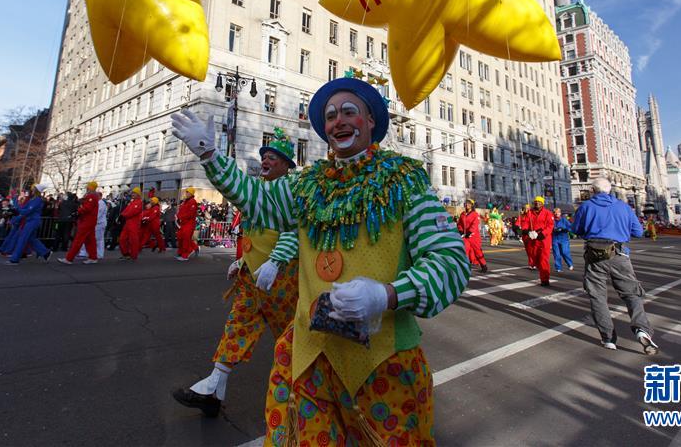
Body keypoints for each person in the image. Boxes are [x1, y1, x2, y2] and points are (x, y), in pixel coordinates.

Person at [172, 77, 469, 445]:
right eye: (330, 116)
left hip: (383, 365)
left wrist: (387, 295)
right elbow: (256, 200)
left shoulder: (404, 181)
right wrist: (210, 156)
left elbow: (451, 260)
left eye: (349, 112)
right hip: (309, 358)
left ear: (371, 120)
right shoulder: (306, 185)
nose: (338, 122)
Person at [173, 127, 300, 418]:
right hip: (252, 279)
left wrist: (277, 260)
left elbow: (295, 229)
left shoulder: (291, 190)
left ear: (286, 165)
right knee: (236, 327)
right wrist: (242, 262)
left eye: (273, 157)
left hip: (282, 283)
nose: (266, 161)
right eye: (264, 156)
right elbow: (254, 232)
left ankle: (307, 392)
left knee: (292, 335)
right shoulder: (260, 188)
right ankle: (214, 389)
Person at [571, 177, 659, 354]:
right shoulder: (623, 207)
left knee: (597, 296)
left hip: (595, 255)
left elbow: (576, 230)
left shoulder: (586, 207)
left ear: (592, 191)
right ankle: (642, 329)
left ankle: (608, 338)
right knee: (632, 294)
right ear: (609, 190)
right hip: (620, 253)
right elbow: (638, 232)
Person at [7, 184, 52, 265]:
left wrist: (17, 209)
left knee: (22, 238)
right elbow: (24, 208)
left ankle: (15, 259)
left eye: (33, 189)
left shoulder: (37, 200)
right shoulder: (33, 199)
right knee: (31, 239)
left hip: (33, 221)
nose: (31, 190)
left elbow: (27, 211)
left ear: (36, 190)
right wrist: (16, 207)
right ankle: (45, 253)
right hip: (31, 221)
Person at [58, 181, 100, 265]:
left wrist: (78, 211)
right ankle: (93, 257)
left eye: (88, 186)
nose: (86, 188)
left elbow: (87, 208)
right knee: (90, 240)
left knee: (78, 240)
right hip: (90, 221)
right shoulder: (93, 196)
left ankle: (69, 258)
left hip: (87, 221)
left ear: (91, 187)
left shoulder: (91, 196)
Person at [521, 196, 555, 286]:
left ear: (542, 203)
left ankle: (545, 279)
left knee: (543, 259)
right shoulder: (530, 213)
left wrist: (542, 234)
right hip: (533, 239)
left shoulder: (548, 213)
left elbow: (550, 226)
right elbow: (525, 223)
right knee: (535, 258)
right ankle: (542, 272)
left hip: (544, 240)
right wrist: (527, 231)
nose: (537, 203)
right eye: (535, 202)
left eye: (539, 202)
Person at [458, 199, 488, 273]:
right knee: (464, 250)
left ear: (472, 205)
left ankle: (483, 265)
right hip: (465, 236)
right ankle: (465, 266)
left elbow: (475, 224)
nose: (467, 205)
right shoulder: (462, 214)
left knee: (478, 252)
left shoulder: (475, 214)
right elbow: (459, 223)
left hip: (474, 236)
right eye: (466, 203)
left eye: (469, 203)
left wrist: (470, 231)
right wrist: (460, 230)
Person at [118, 188, 144, 261]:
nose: (132, 194)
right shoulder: (132, 202)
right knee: (122, 239)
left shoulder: (139, 202)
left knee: (133, 240)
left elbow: (132, 212)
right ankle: (126, 253)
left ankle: (133, 255)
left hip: (134, 224)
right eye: (132, 193)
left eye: (134, 193)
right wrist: (121, 215)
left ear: (138, 194)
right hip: (128, 223)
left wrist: (123, 215)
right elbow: (126, 210)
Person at [175, 188, 199, 261]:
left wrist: (180, 217)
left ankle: (185, 254)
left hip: (189, 223)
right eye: (186, 192)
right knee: (180, 237)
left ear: (191, 194)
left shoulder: (193, 202)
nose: (186, 194)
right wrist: (177, 216)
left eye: (188, 193)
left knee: (186, 238)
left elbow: (190, 214)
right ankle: (192, 248)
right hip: (183, 223)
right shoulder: (185, 201)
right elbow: (181, 211)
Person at [551, 207, 574, 272]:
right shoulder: (552, 220)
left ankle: (570, 264)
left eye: (558, 212)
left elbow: (570, 227)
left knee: (565, 252)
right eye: (555, 212)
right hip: (555, 238)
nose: (556, 213)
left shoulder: (564, 220)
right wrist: (554, 229)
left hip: (564, 238)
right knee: (557, 254)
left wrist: (564, 229)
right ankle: (558, 268)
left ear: (560, 213)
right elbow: (549, 228)